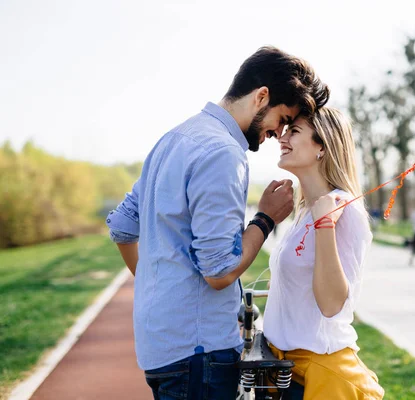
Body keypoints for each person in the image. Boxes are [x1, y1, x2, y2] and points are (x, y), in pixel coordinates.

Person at [105, 46, 329, 399]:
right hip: (198, 353)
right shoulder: (223, 152)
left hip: (160, 346)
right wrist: (266, 218)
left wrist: (163, 287)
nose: (278, 133)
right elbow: (220, 272)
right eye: (282, 119)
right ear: (261, 97)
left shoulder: (173, 139)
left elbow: (121, 226)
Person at [263, 108, 384, 399]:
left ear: (322, 146)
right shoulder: (305, 209)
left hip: (320, 377)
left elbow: (331, 304)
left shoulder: (344, 211)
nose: (282, 137)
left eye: (294, 131)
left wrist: (325, 224)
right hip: (287, 371)